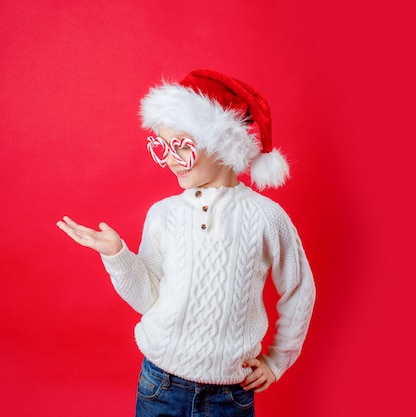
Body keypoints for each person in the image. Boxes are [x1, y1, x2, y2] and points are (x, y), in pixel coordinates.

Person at [57, 69, 316, 417]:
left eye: (181, 146)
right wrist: (117, 255)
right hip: (159, 386)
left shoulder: (266, 217)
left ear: (222, 142)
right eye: (162, 148)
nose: (170, 160)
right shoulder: (163, 214)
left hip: (231, 396)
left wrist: (278, 359)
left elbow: (299, 288)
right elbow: (148, 297)